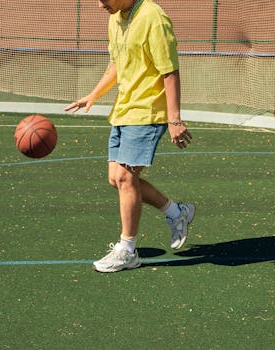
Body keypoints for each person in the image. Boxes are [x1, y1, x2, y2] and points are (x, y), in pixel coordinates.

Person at [65, 0, 195, 273]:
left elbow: (169, 71)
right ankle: (176, 213)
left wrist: (174, 120)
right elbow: (116, 64)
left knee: (125, 177)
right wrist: (94, 94)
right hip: (124, 109)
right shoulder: (116, 18)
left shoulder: (153, 17)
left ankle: (127, 250)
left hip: (148, 111)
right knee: (116, 178)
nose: (101, 5)